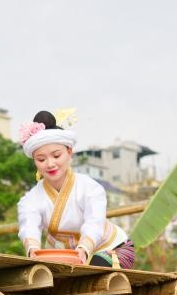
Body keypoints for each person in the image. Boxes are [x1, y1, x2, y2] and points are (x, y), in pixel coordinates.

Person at [16, 111, 135, 268]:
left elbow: (94, 223)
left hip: (110, 249)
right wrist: (32, 250)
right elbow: (29, 227)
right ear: (35, 161)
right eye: (41, 159)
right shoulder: (30, 200)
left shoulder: (90, 188)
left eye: (56, 155)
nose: (50, 164)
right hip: (64, 257)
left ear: (69, 153)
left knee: (93, 268)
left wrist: (83, 249)